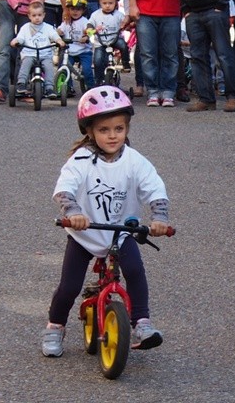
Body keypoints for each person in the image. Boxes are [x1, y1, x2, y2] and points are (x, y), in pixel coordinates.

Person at [43, 86, 170, 357]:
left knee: (135, 271)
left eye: (119, 128)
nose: (113, 136)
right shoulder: (81, 160)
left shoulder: (135, 161)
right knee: (69, 286)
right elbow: (65, 188)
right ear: (89, 131)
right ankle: (55, 325)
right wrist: (73, 212)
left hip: (120, 231)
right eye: (104, 130)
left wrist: (159, 217)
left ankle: (142, 322)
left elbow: (154, 188)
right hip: (86, 233)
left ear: (127, 128)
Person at [10, 1, 65, 99]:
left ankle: (49, 88)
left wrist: (58, 40)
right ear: (29, 16)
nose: (37, 18)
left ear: (44, 15)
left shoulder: (48, 27)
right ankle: (21, 84)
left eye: (39, 15)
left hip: (45, 54)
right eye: (34, 15)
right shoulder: (25, 28)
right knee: (25, 64)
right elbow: (21, 38)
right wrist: (16, 40)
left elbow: (54, 35)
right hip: (29, 54)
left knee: (49, 66)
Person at [86, 0, 129, 88]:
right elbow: (90, 24)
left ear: (116, 3)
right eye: (104, 3)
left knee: (123, 45)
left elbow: (125, 23)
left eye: (111, 3)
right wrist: (90, 30)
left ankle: (125, 63)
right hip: (100, 42)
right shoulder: (96, 14)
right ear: (99, 3)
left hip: (114, 39)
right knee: (98, 60)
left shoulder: (118, 15)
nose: (107, 6)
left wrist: (126, 25)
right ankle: (99, 80)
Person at [57, 0, 94, 89]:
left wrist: (86, 37)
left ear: (83, 10)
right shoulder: (66, 21)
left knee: (87, 70)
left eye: (78, 9)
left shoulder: (85, 22)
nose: (75, 12)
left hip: (84, 51)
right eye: (72, 9)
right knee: (64, 67)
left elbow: (91, 32)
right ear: (68, 9)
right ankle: (68, 87)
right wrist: (59, 32)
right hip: (69, 51)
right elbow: (60, 30)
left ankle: (91, 87)